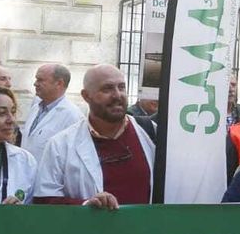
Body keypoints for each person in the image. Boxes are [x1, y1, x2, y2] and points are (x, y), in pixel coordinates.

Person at [35, 65, 155, 208]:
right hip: (88, 230)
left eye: (121, 87)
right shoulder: (60, 145)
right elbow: (44, 201)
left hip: (143, 229)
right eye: (107, 89)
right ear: (86, 96)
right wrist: (86, 206)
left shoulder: (150, 133)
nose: (117, 95)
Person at [21, 63, 82, 160]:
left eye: (40, 80)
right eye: (36, 79)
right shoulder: (35, 108)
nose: (35, 83)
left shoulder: (73, 116)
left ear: (59, 83)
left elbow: (73, 157)